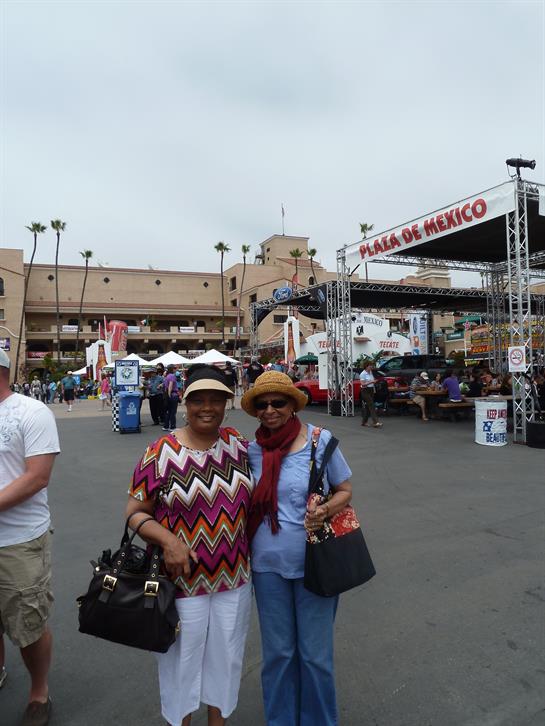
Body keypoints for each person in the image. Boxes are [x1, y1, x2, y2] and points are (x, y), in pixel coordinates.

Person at [126, 364, 253, 726]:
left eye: (217, 399)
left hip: (234, 578)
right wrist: (169, 541)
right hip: (181, 581)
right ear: (185, 402)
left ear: (228, 403)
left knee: (226, 658)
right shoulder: (161, 452)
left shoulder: (239, 446)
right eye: (199, 400)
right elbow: (134, 512)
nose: (207, 407)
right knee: (182, 661)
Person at [241, 371, 353, 726]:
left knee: (314, 656)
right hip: (266, 567)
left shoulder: (320, 442)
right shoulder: (250, 451)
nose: (270, 410)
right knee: (278, 655)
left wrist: (325, 510)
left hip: (314, 562)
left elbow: (345, 490)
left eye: (278, 402)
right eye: (263, 404)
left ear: (292, 405)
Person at [0, 348, 60, 726]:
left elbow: (37, 476)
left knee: (28, 623)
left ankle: (39, 692)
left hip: (18, 541)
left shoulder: (31, 412)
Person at [359, 362, 383, 428]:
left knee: (368, 407)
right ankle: (376, 422)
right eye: (370, 366)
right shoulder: (363, 374)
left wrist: (374, 382)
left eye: (371, 366)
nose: (371, 367)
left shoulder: (371, 372)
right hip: (365, 390)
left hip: (371, 390)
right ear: (366, 366)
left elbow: (371, 381)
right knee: (372, 405)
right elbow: (362, 384)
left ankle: (364, 422)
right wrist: (371, 382)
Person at [163, 364, 180, 431]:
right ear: (172, 369)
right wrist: (170, 395)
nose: (176, 369)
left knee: (169, 411)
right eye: (175, 368)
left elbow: (165, 386)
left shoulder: (167, 376)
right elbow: (170, 385)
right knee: (173, 411)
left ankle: (166, 426)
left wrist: (167, 395)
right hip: (173, 395)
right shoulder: (172, 376)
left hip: (168, 395)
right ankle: (172, 427)